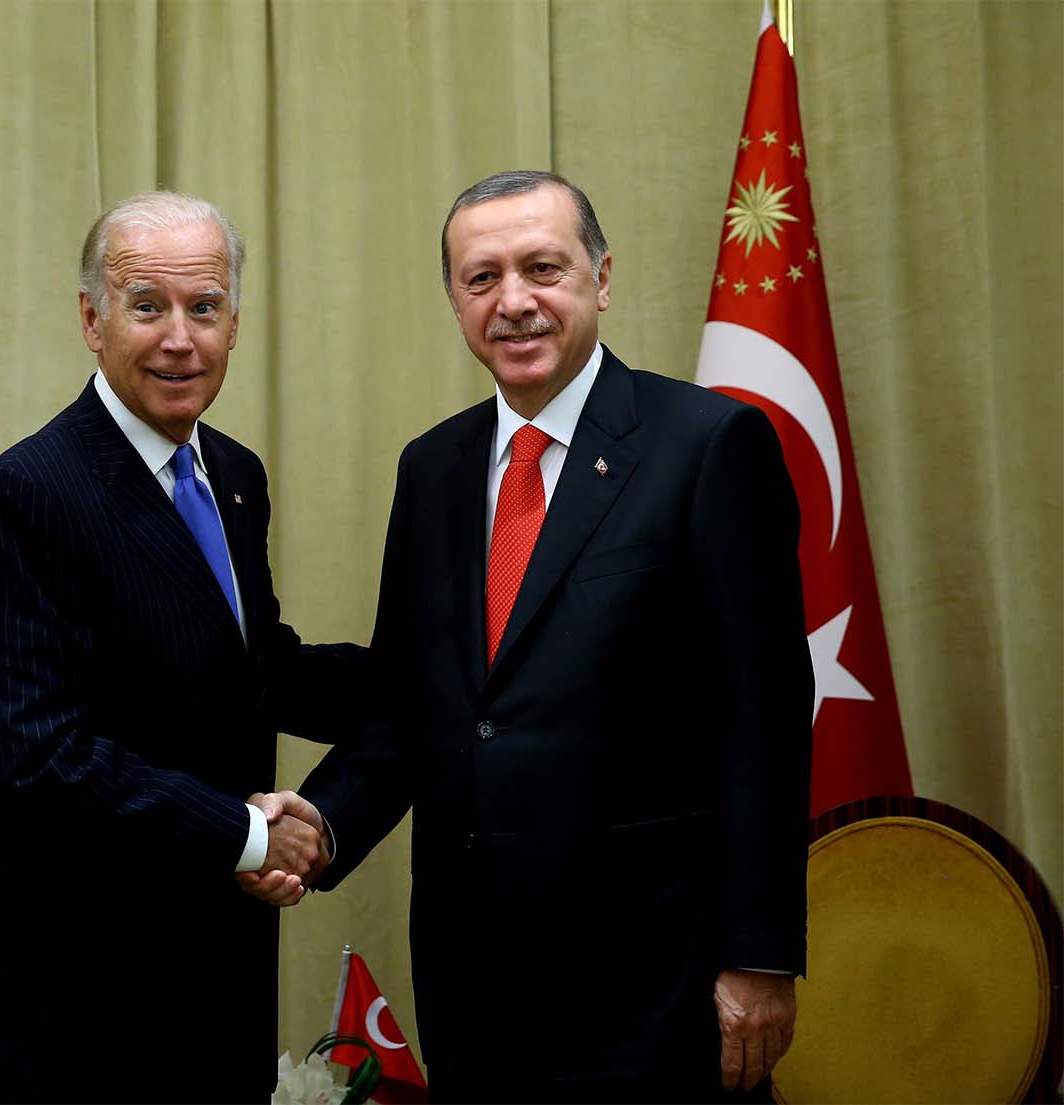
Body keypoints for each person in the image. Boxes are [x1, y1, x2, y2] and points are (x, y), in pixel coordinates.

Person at [247, 170, 813, 1101]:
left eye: (542, 268)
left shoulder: (708, 445)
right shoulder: (432, 468)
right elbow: (417, 702)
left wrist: (760, 958)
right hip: (475, 986)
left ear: (601, 276)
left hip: (654, 984)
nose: (514, 302)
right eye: (482, 279)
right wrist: (325, 821)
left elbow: (766, 718)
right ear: (454, 300)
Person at [0, 191, 355, 1103]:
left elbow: (251, 668)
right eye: (148, 306)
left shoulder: (236, 475)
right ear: (92, 320)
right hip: (79, 1002)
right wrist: (253, 834)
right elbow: (41, 755)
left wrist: (445, 672)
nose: (181, 338)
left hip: (216, 975)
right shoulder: (26, 493)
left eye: (203, 307)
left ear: (235, 323)